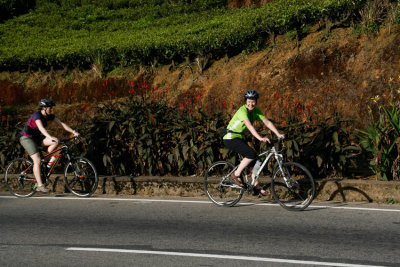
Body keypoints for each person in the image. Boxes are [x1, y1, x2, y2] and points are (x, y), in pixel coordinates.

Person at [223, 89, 285, 195]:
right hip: (230, 137)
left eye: (253, 101)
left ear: (256, 102)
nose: (251, 104)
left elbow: (267, 122)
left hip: (240, 137)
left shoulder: (256, 111)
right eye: (248, 101)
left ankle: (256, 187)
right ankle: (236, 175)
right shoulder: (242, 111)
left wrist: (278, 134)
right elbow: (250, 127)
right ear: (245, 101)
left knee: (257, 158)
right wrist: (260, 138)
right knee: (251, 154)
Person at [20, 98, 79, 193]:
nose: (51, 109)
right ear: (44, 108)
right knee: (37, 159)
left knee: (56, 141)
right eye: (50, 107)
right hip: (27, 138)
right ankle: (39, 185)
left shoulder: (49, 116)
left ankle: (45, 161)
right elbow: (41, 128)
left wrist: (73, 131)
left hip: (37, 138)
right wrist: (48, 136)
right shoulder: (37, 115)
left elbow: (61, 124)